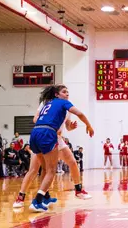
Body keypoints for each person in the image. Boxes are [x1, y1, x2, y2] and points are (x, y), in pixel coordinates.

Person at [22, 84, 94, 212]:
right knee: (49, 170)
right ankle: (36, 200)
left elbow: (66, 126)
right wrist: (89, 125)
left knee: (51, 167)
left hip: (36, 133)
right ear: (56, 94)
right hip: (49, 134)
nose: (67, 94)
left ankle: (45, 197)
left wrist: (71, 126)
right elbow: (80, 113)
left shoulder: (49, 105)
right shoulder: (60, 103)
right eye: (64, 91)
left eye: (68, 92)